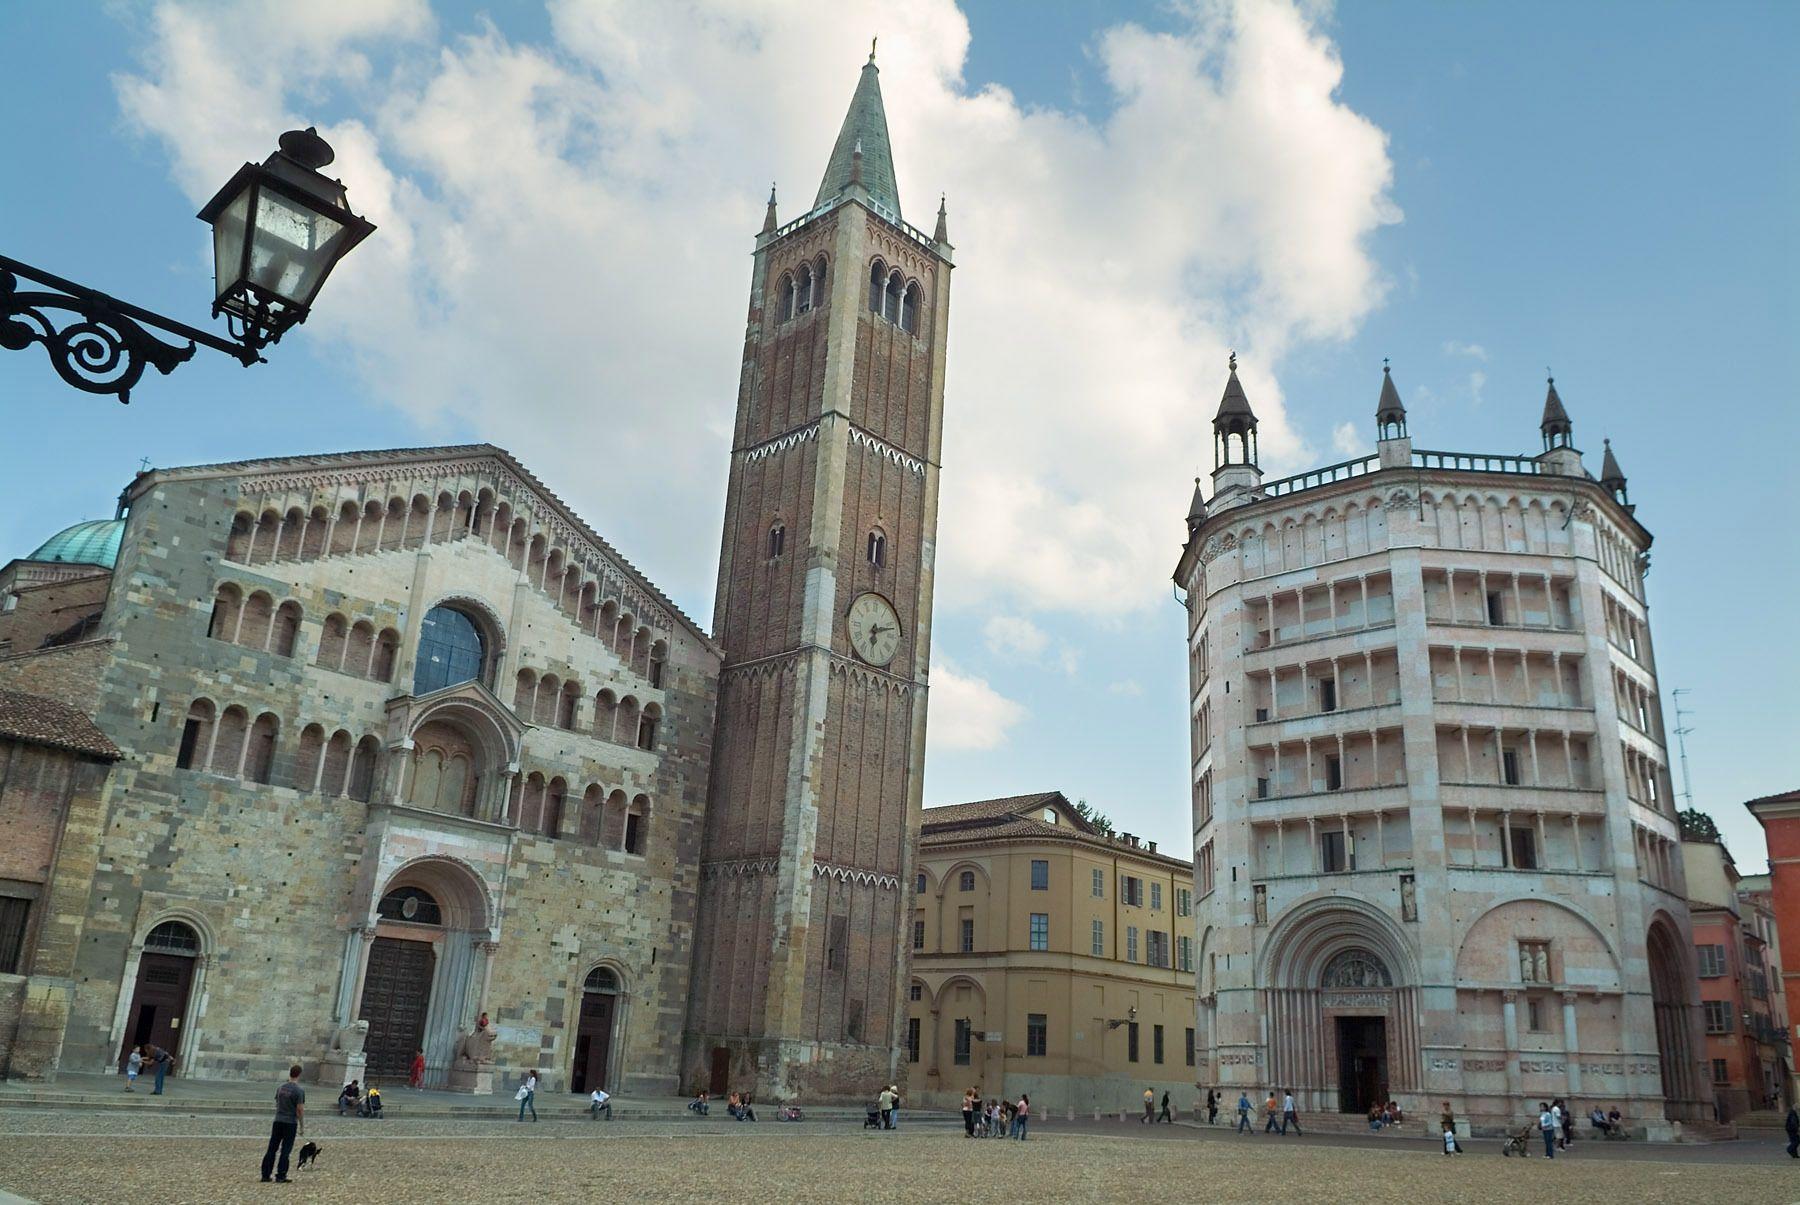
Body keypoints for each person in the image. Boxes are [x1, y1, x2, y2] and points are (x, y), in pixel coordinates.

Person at [261, 1064, 305, 1184]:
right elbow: (300, 1109)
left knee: (272, 1148)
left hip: (278, 1120)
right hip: (290, 1122)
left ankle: (265, 1174)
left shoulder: (281, 1087)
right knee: (285, 1150)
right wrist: (301, 1125)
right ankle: (281, 1175)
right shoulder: (299, 1090)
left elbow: (277, 1102)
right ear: (299, 1075)